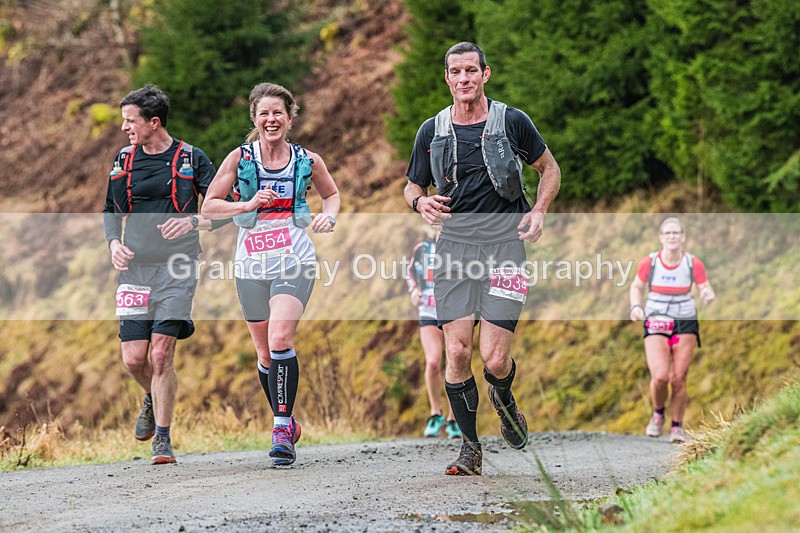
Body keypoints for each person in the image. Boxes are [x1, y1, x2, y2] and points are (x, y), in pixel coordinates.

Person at [404, 42, 561, 475]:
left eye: (471, 70)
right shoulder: (431, 130)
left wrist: (540, 210)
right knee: (456, 351)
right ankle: (470, 449)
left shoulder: (512, 121)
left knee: (493, 360)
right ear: (447, 79)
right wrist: (420, 204)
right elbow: (412, 185)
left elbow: (550, 169)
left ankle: (504, 397)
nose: (464, 79)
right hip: (453, 250)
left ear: (485, 74)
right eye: (456, 71)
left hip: (506, 250)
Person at [202, 82, 340, 466]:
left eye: (278, 112)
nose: (271, 119)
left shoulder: (307, 159)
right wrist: (246, 203)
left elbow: (331, 195)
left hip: (294, 260)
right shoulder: (240, 158)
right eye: (264, 113)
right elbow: (211, 206)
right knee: (265, 354)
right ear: (255, 118)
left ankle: (280, 427)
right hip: (250, 266)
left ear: (290, 117)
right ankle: (288, 420)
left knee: (281, 338)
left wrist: (328, 217)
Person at [103, 84, 226, 464]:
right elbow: (110, 209)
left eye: (130, 121)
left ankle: (163, 439)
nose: (125, 128)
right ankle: (152, 396)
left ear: (153, 123)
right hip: (135, 270)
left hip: (178, 269)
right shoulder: (123, 160)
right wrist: (113, 244)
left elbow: (225, 209)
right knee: (133, 358)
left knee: (160, 355)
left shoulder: (192, 158)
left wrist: (193, 223)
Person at [629, 217, 714, 444]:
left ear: (683, 237)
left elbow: (704, 286)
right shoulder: (651, 262)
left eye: (676, 233)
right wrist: (636, 306)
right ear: (661, 237)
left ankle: (677, 426)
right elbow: (636, 286)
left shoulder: (692, 263)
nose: (672, 237)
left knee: (678, 378)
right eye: (668, 233)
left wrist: (707, 294)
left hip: (684, 320)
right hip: (656, 318)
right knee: (660, 377)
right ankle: (658, 413)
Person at [407, 224, 462, 439]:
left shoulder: (459, 246)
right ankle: (435, 413)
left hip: (455, 310)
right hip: (429, 311)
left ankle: (453, 418)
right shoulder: (422, 248)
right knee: (432, 362)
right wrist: (414, 290)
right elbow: (411, 273)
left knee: (455, 361)